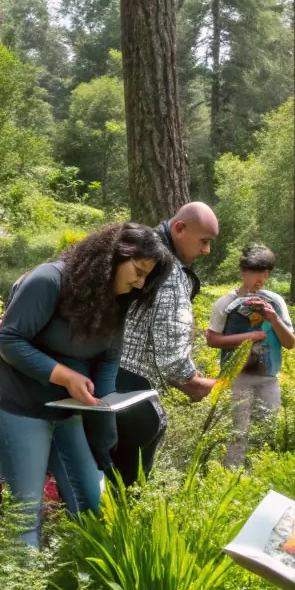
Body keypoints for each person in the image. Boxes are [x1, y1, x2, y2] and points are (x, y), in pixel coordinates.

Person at [0, 223, 173, 546]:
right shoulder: (50, 281)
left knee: (92, 506)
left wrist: (103, 423)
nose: (140, 283)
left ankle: (80, 585)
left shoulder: (119, 299)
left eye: (147, 278)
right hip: (20, 405)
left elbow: (108, 361)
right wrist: (64, 375)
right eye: (138, 271)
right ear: (113, 257)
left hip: (65, 410)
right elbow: (9, 339)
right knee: (25, 518)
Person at [101, 201, 219, 485]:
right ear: (179, 228)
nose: (206, 250)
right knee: (129, 482)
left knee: (100, 468)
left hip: (99, 374)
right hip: (130, 385)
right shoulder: (168, 269)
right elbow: (170, 349)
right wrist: (191, 379)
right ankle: (122, 527)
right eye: (204, 242)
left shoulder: (137, 254)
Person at [207, 244, 295, 468]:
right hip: (237, 378)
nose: (262, 278)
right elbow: (212, 340)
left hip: (268, 378)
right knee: (237, 430)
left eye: (267, 272)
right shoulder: (225, 303)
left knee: (266, 430)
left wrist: (274, 319)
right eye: (257, 271)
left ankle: (258, 474)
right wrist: (249, 337)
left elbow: (290, 343)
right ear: (244, 271)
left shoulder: (275, 301)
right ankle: (231, 475)